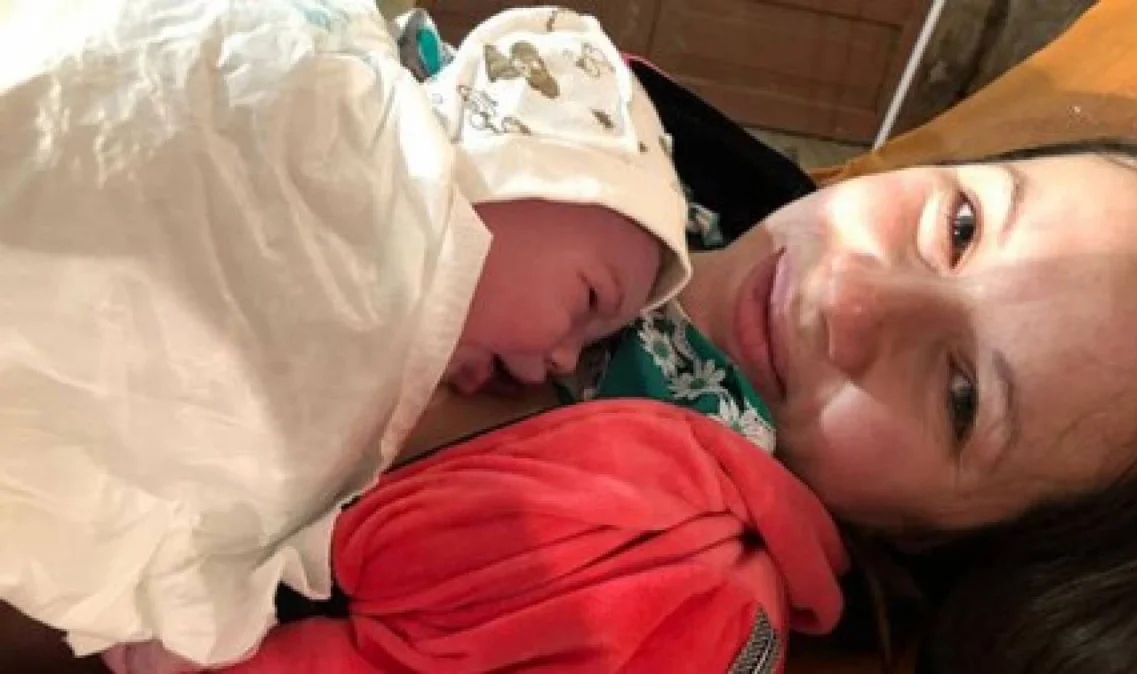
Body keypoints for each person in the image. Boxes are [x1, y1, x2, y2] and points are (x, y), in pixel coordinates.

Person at [3, 3, 690, 672]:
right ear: (518, 167)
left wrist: (181, 592)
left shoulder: (390, 379)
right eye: (590, 299)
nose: (564, 359)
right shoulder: (362, 146)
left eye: (590, 343)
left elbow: (242, 456)